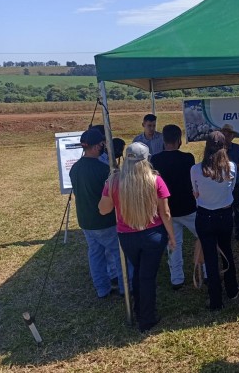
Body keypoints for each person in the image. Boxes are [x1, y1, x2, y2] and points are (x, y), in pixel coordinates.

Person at [98, 142, 176, 333]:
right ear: (146, 159)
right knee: (147, 276)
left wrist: (109, 189)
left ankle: (139, 308)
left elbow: (103, 210)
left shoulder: (114, 182)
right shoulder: (155, 180)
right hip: (153, 235)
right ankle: (146, 319)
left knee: (138, 271)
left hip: (127, 236)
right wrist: (172, 237)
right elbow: (165, 213)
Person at [69, 128, 124, 298]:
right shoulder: (102, 170)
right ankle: (125, 288)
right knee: (119, 253)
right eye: (101, 144)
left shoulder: (75, 168)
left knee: (95, 254)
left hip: (85, 221)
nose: (104, 146)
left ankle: (102, 289)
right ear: (95, 147)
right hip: (105, 221)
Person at [190, 131, 239, 310]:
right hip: (224, 215)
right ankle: (232, 290)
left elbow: (195, 193)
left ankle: (215, 300)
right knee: (226, 251)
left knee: (210, 258)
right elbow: (231, 189)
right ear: (224, 147)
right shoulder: (232, 167)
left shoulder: (196, 169)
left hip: (204, 217)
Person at [150, 124, 199, 290]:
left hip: (167, 210)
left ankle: (176, 279)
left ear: (163, 140)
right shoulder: (188, 158)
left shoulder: (155, 160)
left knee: (173, 244)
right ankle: (206, 272)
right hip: (188, 207)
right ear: (179, 140)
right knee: (203, 237)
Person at [220, 124, 239, 241]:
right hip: (220, 185)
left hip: (235, 184)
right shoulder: (216, 150)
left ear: (232, 136)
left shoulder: (238, 148)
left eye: (229, 134)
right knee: (222, 210)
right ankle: (225, 232)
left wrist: (231, 165)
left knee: (237, 208)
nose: (226, 136)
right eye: (224, 134)